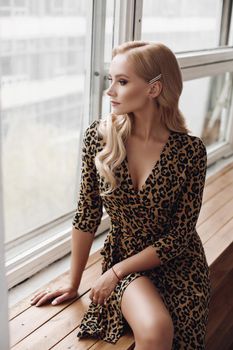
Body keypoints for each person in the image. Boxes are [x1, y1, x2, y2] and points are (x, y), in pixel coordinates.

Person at [30, 40, 211, 350]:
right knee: (155, 329)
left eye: (122, 81)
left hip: (179, 264)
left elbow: (179, 236)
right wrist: (74, 283)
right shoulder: (99, 139)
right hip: (126, 259)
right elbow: (87, 214)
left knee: (181, 328)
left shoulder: (190, 152)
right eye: (110, 80)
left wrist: (114, 272)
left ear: (154, 89)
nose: (110, 90)